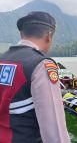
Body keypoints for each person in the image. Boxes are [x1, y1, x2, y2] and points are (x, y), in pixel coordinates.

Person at [0, 11, 70, 143]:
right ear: (49, 36)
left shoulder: (2, 59)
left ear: (21, 34)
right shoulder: (41, 65)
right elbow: (54, 129)